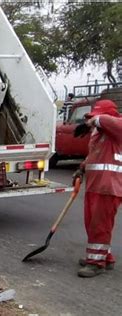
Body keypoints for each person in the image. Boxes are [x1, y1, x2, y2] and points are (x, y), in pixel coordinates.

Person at [72, 99, 122, 277]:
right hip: (95, 185)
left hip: (109, 186)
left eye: (96, 117)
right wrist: (81, 168)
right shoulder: (99, 134)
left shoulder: (116, 128)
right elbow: (94, 155)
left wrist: (96, 120)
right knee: (92, 223)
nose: (91, 121)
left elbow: (114, 123)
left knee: (100, 225)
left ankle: (96, 263)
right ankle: (103, 257)